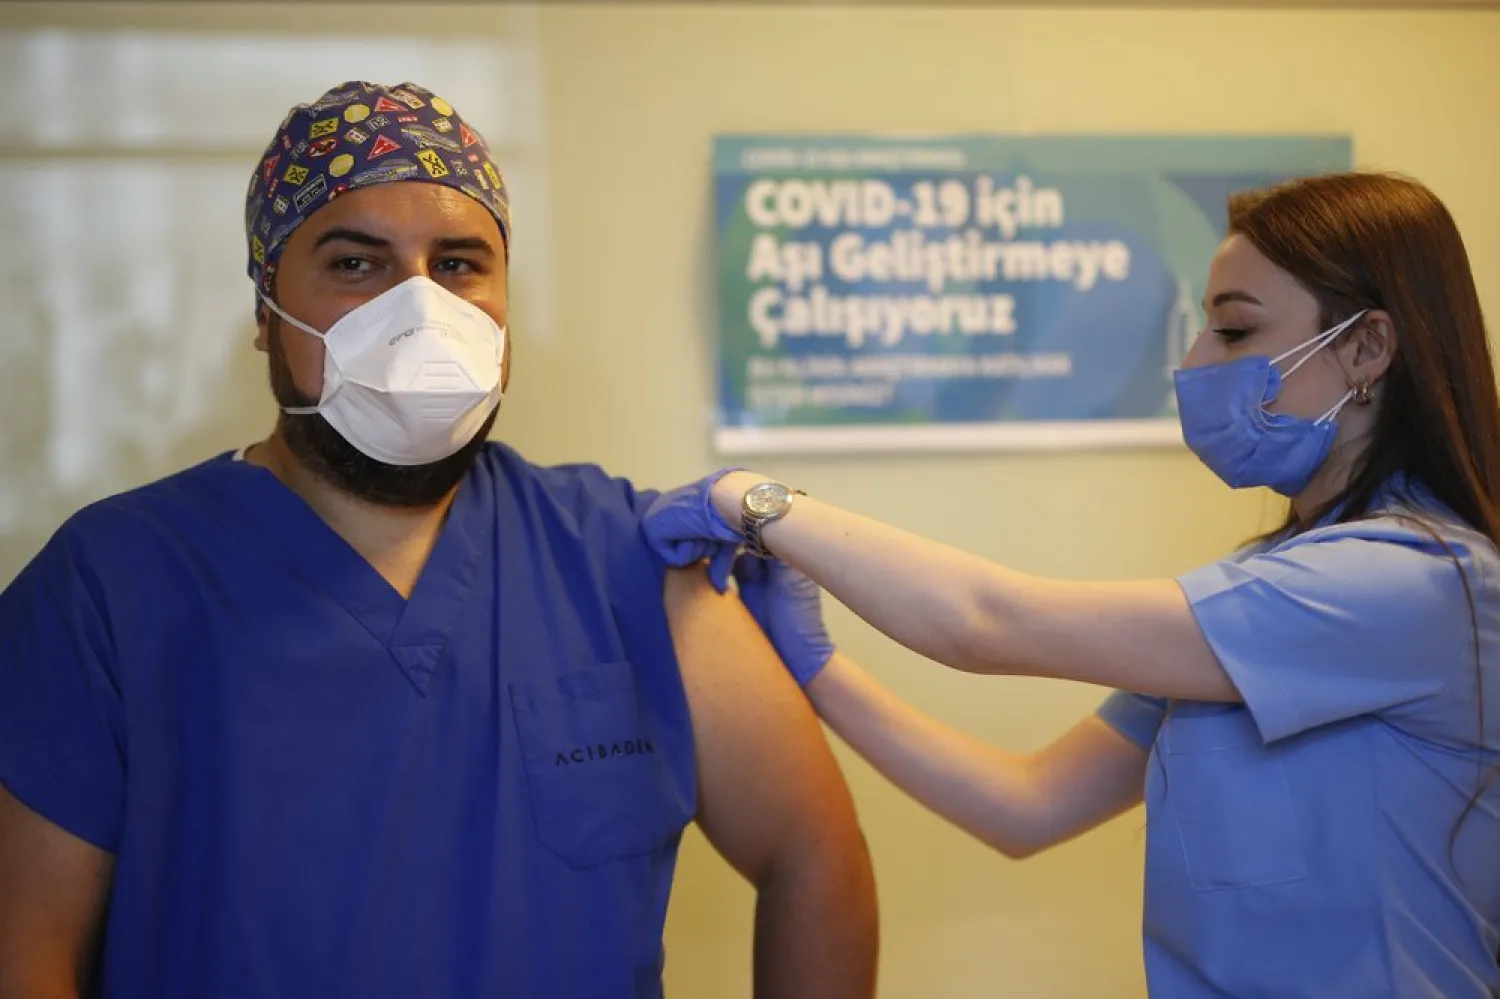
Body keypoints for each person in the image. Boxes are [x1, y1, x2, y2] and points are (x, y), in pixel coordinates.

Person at [0, 81, 878, 999]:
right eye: (356, 263)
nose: (419, 310)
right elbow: (26, 956)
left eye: (459, 264)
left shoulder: (625, 556)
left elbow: (813, 853)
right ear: (266, 313)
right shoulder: (109, 588)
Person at [645, 171, 1500, 997]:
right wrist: (817, 667)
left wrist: (752, 500)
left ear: (1366, 346)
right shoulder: (1256, 590)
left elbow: (987, 622)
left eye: (1234, 333)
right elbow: (1025, 806)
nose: (1197, 360)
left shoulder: (1419, 584)